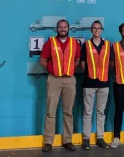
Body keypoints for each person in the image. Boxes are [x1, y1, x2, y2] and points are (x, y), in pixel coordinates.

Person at [40, 19, 80, 152]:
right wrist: (53, 70)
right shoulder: (50, 42)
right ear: (56, 29)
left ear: (68, 28)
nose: (63, 29)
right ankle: (48, 141)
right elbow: (43, 61)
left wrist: (70, 69)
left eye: (65, 27)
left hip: (70, 80)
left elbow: (78, 59)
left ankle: (68, 140)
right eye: (60, 27)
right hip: (54, 80)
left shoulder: (75, 43)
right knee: (50, 112)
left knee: (68, 112)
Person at [80, 20, 111, 150]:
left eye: (98, 28)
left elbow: (112, 63)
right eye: (94, 28)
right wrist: (89, 74)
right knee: (87, 112)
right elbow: (82, 64)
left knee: (101, 112)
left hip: (104, 84)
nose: (96, 30)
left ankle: (100, 138)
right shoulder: (86, 45)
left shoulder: (109, 45)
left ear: (102, 30)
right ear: (91, 30)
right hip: (89, 83)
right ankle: (86, 139)